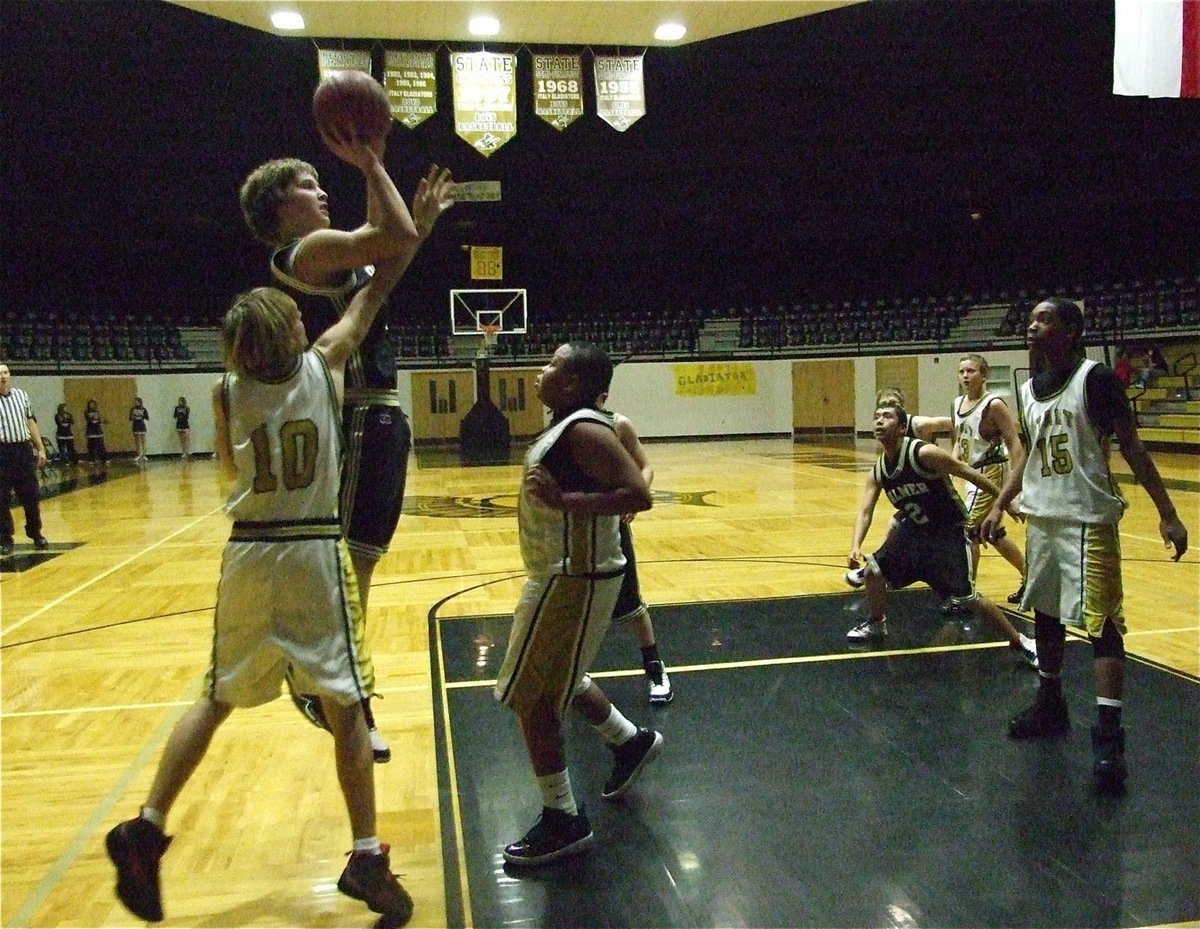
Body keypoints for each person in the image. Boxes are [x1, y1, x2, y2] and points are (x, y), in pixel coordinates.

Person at [105, 268, 416, 926]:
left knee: (216, 695)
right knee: (348, 701)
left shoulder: (224, 390)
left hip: (248, 550)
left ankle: (148, 824)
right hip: (310, 550)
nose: (308, 323)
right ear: (287, 332)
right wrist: (404, 241)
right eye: (296, 318)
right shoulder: (323, 365)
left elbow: (224, 461)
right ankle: (365, 853)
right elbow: (366, 307)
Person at [240, 132, 453, 762]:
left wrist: (416, 228)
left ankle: (330, 681)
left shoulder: (329, 258)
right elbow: (385, 242)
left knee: (359, 566)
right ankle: (337, 691)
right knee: (351, 570)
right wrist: (371, 162)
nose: (320, 190)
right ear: (280, 208)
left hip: (379, 419)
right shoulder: (301, 253)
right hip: (355, 417)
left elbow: (385, 267)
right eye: (308, 185)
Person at [981, 298, 1188, 794]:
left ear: (1071, 330)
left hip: (1089, 521)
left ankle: (1110, 738)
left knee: (1102, 625)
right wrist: (999, 504)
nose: (1032, 325)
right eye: (1030, 319)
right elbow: (1026, 454)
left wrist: (1169, 513)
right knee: (1047, 614)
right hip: (1043, 518)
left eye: (1044, 318)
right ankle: (1051, 704)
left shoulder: (1095, 379)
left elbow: (1133, 446)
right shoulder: (1026, 389)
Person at [496, 341, 662, 867]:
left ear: (570, 383)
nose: (541, 370)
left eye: (551, 364)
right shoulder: (570, 425)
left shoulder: (585, 430)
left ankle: (563, 817)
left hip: (573, 576)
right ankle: (627, 740)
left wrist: (567, 502)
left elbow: (639, 492)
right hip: (566, 572)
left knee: (532, 695)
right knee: (558, 676)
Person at [846, 400, 1037, 668]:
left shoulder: (923, 454)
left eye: (887, 417)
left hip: (947, 532)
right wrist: (856, 545)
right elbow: (866, 510)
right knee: (872, 572)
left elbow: (969, 473)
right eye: (876, 416)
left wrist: (1004, 502)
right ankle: (877, 623)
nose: (879, 421)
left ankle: (1021, 641)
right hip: (913, 531)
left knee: (968, 598)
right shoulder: (879, 469)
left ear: (902, 428)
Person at [596, 391, 672, 703]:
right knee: (576, 605)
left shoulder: (618, 424)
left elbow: (646, 467)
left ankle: (655, 666)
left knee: (630, 603)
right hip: (577, 527)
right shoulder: (564, 427)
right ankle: (573, 674)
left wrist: (635, 495)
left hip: (612, 525)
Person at [844, 386, 952, 589]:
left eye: (892, 406)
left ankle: (964, 584)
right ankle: (879, 567)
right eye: (881, 410)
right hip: (914, 497)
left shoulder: (919, 425)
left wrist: (957, 449)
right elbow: (865, 510)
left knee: (974, 535)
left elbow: (957, 421)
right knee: (898, 523)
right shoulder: (883, 453)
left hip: (936, 495)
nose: (884, 415)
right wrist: (855, 545)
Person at [951, 353, 1027, 604]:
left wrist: (1016, 486)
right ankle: (1031, 577)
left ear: (984, 375)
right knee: (992, 533)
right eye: (962, 371)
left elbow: (1015, 444)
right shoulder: (956, 404)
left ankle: (966, 590)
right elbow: (958, 441)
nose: (965, 376)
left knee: (968, 529)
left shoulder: (993, 404)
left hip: (992, 469)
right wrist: (950, 469)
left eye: (971, 371)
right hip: (971, 472)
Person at [0, 362, 49, 555]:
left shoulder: (22, 396)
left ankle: (36, 533)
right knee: (1, 498)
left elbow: (30, 422)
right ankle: (5, 537)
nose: (3, 376)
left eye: (5, 372)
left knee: (31, 494)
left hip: (22, 450)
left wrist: (40, 448)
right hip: (2, 451)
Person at [84, 398, 107, 467]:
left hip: (98, 430)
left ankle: (103, 459)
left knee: (101, 445)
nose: (92, 405)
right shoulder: (86, 412)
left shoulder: (97, 412)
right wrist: (94, 417)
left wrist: (103, 421)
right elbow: (89, 420)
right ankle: (91, 459)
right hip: (91, 431)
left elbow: (99, 420)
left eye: (93, 404)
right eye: (91, 404)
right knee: (91, 446)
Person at [54, 402, 78, 467]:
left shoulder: (69, 415)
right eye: (64, 408)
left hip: (68, 434)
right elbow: (59, 423)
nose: (66, 409)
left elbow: (72, 422)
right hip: (61, 435)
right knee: (62, 449)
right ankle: (64, 460)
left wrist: (68, 418)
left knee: (71, 448)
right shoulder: (57, 415)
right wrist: (64, 418)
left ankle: (72, 460)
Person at [130, 397, 150, 464]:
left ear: (140, 402)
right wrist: (133, 416)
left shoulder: (143, 409)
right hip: (136, 425)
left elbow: (147, 418)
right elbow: (130, 418)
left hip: (141, 425)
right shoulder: (133, 409)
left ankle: (144, 455)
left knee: (143, 440)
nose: (135, 403)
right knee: (137, 441)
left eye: (137, 401)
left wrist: (142, 415)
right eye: (135, 402)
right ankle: (139, 454)